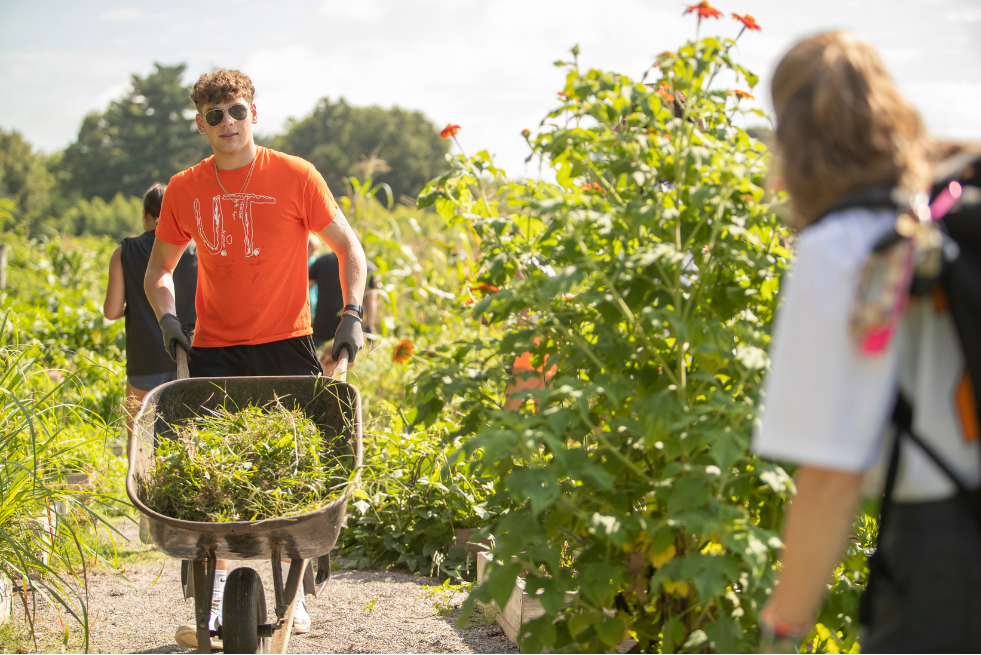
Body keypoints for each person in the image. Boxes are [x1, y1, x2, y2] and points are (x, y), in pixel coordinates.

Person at [752, 32, 978, 652]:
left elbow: (830, 475)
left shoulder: (845, 246)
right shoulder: (948, 210)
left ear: (792, 136)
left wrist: (782, 629)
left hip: (947, 550)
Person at [143, 68, 368, 649]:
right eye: (215, 115)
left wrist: (350, 316)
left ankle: (293, 592)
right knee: (220, 479)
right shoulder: (186, 189)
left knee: (293, 472)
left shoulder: (295, 176)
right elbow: (159, 271)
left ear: (254, 115)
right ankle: (216, 599)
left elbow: (349, 249)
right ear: (200, 124)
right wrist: (170, 320)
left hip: (288, 344)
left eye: (237, 111)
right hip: (216, 347)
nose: (228, 124)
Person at [102, 183, 197, 443]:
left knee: (140, 439)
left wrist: (136, 305)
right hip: (189, 355)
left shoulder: (125, 251)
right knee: (187, 438)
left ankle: (139, 483)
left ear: (145, 214)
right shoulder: (195, 249)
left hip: (144, 358)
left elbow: (111, 311)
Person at [308, 237, 378, 374]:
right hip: (350, 326)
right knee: (348, 367)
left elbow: (305, 290)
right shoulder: (367, 267)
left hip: (322, 324)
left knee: (318, 367)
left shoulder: (322, 262)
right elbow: (371, 300)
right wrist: (369, 325)